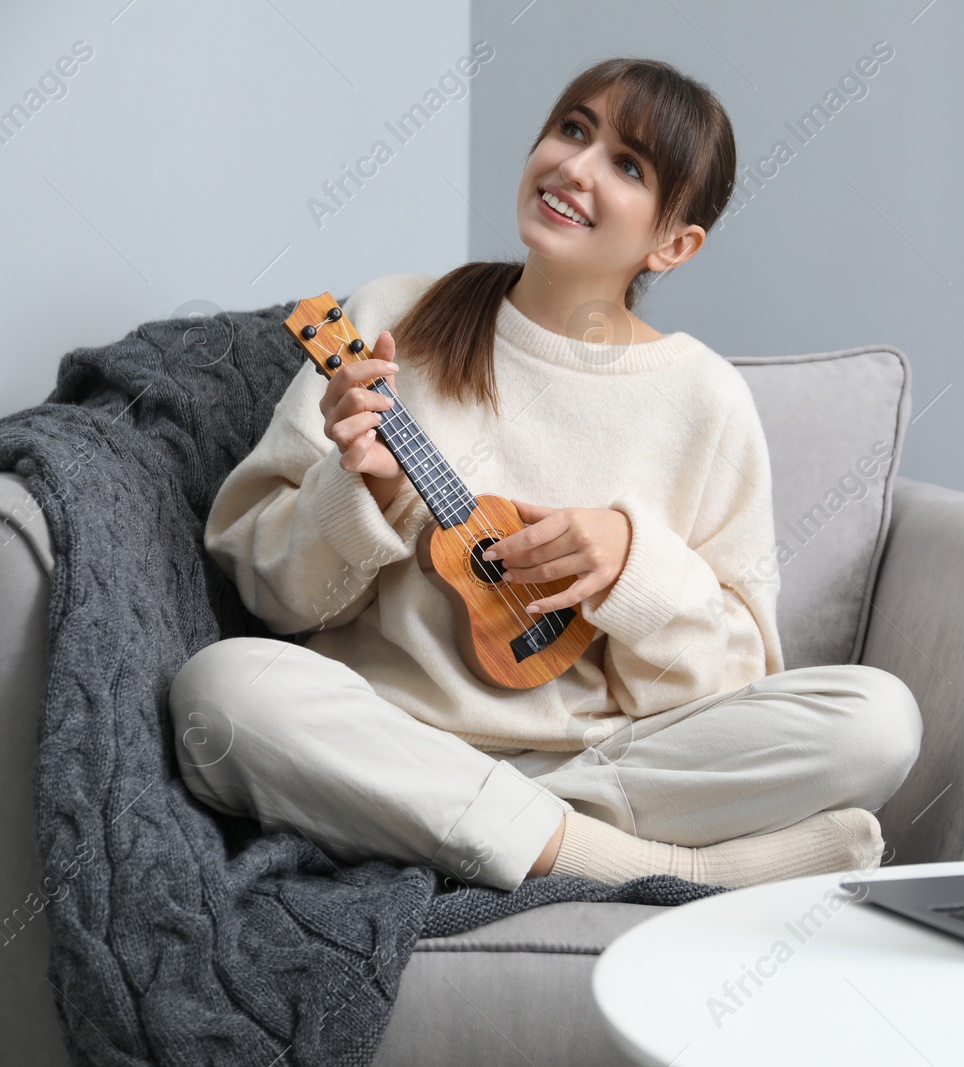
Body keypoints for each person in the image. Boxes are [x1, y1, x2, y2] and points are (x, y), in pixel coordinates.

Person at [168, 57, 921, 893]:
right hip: (392, 736)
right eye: (573, 128)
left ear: (674, 242)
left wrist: (632, 565)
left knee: (879, 720)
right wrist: (362, 494)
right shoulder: (389, 319)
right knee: (222, 693)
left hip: (606, 762)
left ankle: (504, 828)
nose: (575, 166)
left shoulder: (706, 400)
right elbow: (264, 589)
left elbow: (735, 682)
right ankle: (652, 867)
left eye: (627, 165)